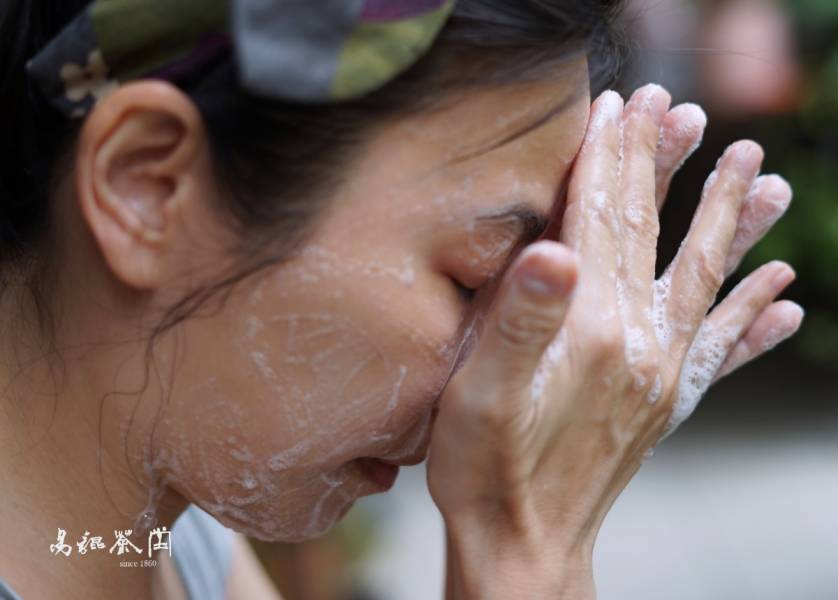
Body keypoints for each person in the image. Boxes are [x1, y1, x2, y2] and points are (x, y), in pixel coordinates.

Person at [0, 0, 803, 598]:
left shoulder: (163, 537)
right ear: (150, 188)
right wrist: (527, 551)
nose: (494, 377)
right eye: (476, 276)